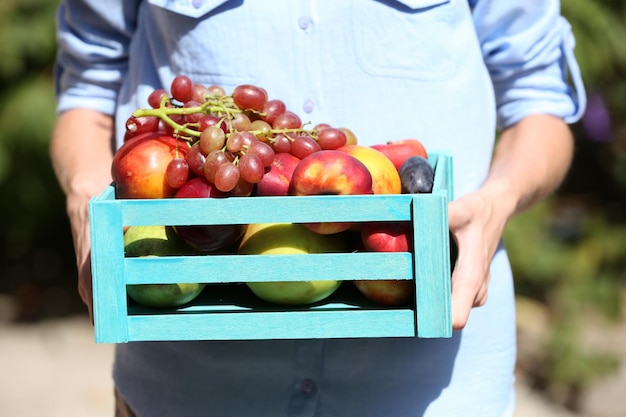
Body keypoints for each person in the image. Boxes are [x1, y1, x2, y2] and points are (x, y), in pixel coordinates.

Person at [50, 1, 585, 416]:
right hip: (186, 390)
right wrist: (84, 201)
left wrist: (497, 202)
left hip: (435, 393)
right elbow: (87, 90)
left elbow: (540, 99)